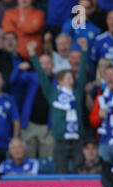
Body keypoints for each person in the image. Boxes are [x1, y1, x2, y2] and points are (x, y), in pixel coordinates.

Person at [29, 38, 89, 173]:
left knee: (77, 170)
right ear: (60, 81)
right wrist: (33, 54)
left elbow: (82, 74)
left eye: (72, 78)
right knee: (61, 171)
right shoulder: (52, 93)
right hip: (59, 140)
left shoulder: (77, 92)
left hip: (77, 140)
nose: (71, 80)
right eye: (68, 78)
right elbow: (42, 75)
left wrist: (84, 50)